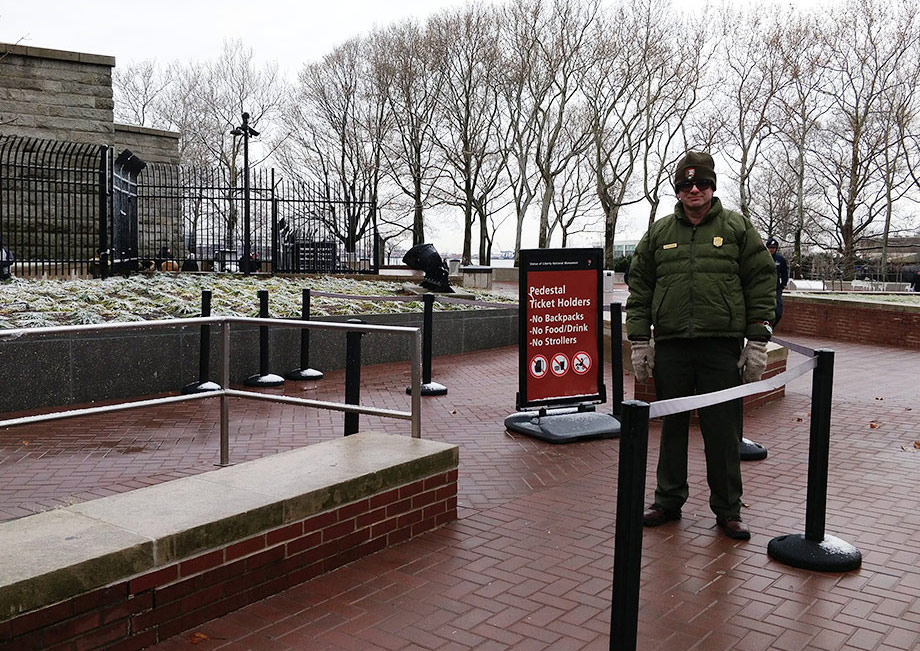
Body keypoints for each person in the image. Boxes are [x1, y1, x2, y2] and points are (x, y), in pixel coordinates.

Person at [626, 151, 776, 540]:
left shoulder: (738, 228)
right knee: (671, 426)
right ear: (677, 190)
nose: (694, 189)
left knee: (723, 430)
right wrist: (640, 338)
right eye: (685, 184)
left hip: (719, 347)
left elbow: (761, 282)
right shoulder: (659, 233)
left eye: (702, 183)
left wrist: (758, 339)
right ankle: (668, 499)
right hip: (673, 346)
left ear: (712, 187)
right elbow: (640, 285)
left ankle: (727, 508)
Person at [765, 237, 788, 326]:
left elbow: (784, 273)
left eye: (774, 248)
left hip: (776, 288)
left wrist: (783, 285)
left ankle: (772, 327)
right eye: (770, 247)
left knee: (778, 311)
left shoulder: (780, 259)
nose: (772, 250)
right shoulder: (762, 258)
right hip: (764, 288)